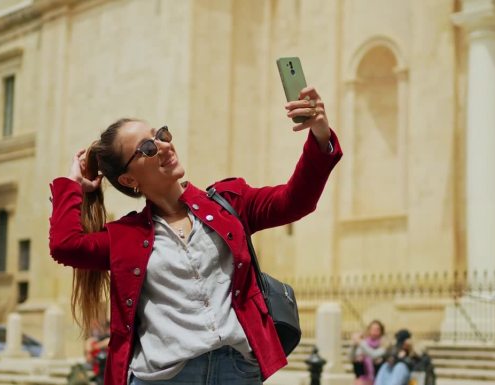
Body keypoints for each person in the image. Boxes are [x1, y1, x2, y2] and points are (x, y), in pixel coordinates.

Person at [49, 86, 342, 385]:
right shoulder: (125, 236)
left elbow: (296, 201)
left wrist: (320, 136)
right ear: (129, 179)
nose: (163, 145)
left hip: (236, 372)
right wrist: (72, 185)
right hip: (164, 378)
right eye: (148, 148)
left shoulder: (230, 203)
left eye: (161, 134)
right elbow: (65, 245)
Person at [351, 320, 386, 385]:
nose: (374, 331)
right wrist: (354, 345)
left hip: (378, 380)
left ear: (381, 331)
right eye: (372, 329)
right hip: (362, 380)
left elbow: (373, 354)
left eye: (377, 329)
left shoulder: (383, 345)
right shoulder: (364, 344)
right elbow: (352, 358)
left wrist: (360, 342)